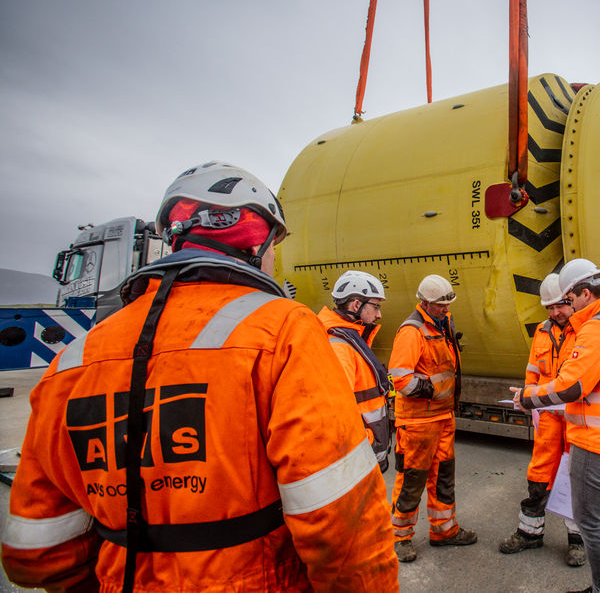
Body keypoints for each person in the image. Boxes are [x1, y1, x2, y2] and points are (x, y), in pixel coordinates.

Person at [1, 161, 398, 592]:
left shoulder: (73, 361)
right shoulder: (284, 331)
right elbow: (341, 521)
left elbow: (34, 550)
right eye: (272, 245)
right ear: (255, 240)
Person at [511, 258, 600, 593]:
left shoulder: (596, 328)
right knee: (596, 519)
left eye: (570, 299)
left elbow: (572, 386)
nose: (568, 307)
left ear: (585, 294)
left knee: (591, 521)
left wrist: (527, 397)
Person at [388, 274, 476, 563]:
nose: (446, 309)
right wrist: (433, 391)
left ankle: (444, 530)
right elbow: (400, 378)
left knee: (443, 477)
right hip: (417, 423)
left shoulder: (442, 324)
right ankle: (400, 537)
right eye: (440, 305)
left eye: (448, 304)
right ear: (425, 303)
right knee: (412, 479)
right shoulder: (412, 332)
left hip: (442, 417)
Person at [499, 274, 586, 567]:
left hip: (576, 418)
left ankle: (579, 541)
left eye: (559, 305)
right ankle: (529, 533)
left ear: (571, 299)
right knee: (539, 474)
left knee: (575, 477)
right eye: (549, 308)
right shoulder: (542, 331)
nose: (554, 313)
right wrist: (524, 396)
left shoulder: (588, 330)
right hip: (548, 418)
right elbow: (533, 370)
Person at [318, 270, 392, 471]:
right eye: (375, 306)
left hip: (360, 455)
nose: (379, 314)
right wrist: (367, 442)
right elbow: (336, 413)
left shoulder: (349, 339)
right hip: (356, 457)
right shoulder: (340, 347)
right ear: (356, 305)